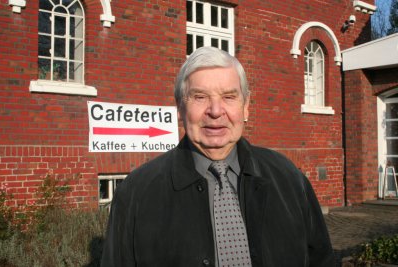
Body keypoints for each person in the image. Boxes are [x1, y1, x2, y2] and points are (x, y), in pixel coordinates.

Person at [100, 47, 335, 267]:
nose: (215, 111)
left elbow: (322, 260)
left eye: (229, 97)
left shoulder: (288, 178)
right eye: (200, 97)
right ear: (180, 107)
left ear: (246, 106)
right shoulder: (136, 193)